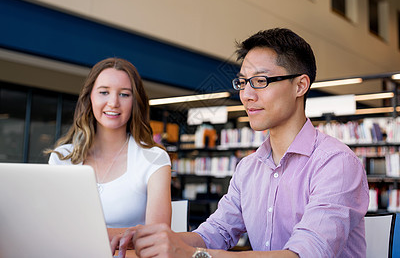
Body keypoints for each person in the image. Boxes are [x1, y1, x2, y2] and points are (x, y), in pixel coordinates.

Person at [115, 28, 369, 258]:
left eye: (261, 81)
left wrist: (193, 255)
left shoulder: (336, 164)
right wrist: (152, 240)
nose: (246, 95)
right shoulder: (249, 168)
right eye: (243, 82)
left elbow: (303, 255)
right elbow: (215, 233)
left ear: (300, 85)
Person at [47, 57, 172, 240]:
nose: (113, 102)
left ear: (135, 102)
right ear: (90, 97)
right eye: (104, 92)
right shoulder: (62, 158)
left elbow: (156, 238)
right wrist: (128, 233)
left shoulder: (154, 159)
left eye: (124, 94)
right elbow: (49, 226)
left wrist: (89, 234)